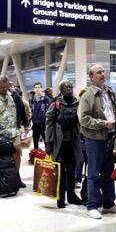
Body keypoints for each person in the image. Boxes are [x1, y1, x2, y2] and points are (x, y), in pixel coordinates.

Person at [78, 64, 116, 219]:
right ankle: (92, 205)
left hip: (110, 138)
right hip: (94, 140)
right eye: (99, 72)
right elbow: (83, 119)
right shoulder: (88, 95)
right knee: (93, 173)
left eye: (103, 72)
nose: (102, 74)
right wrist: (103, 124)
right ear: (91, 77)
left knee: (109, 172)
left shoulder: (110, 92)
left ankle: (109, 203)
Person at [45, 80, 83, 208]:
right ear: (61, 90)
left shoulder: (77, 103)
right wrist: (48, 142)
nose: (68, 88)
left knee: (72, 169)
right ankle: (60, 197)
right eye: (65, 87)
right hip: (59, 144)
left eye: (70, 86)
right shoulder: (56, 104)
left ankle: (71, 195)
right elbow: (49, 124)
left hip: (73, 142)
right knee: (60, 171)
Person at [31, 82, 51, 149]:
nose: (37, 89)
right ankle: (35, 155)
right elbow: (31, 111)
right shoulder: (32, 99)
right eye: (36, 87)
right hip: (35, 123)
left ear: (41, 88)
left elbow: (49, 111)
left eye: (39, 87)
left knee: (46, 141)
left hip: (43, 124)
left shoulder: (46, 98)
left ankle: (47, 156)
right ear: (34, 89)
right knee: (35, 141)